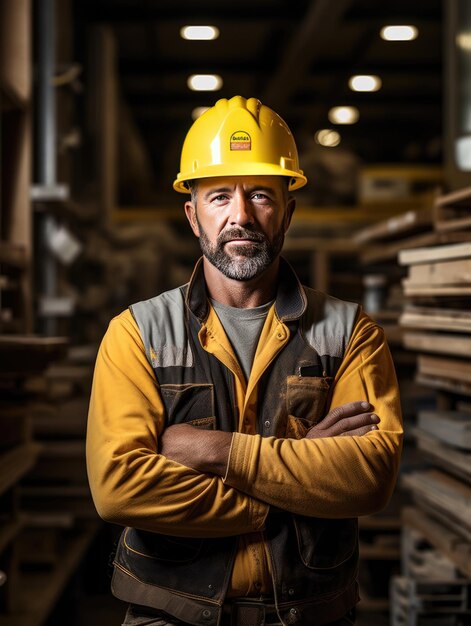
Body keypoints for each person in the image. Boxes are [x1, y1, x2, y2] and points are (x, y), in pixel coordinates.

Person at [86, 96, 403, 626]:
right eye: (218, 197)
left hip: (309, 614)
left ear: (288, 208)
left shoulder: (350, 333)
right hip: (170, 614)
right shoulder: (137, 334)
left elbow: (370, 476)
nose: (240, 216)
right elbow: (119, 488)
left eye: (260, 194)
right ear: (193, 215)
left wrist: (211, 450)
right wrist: (294, 475)